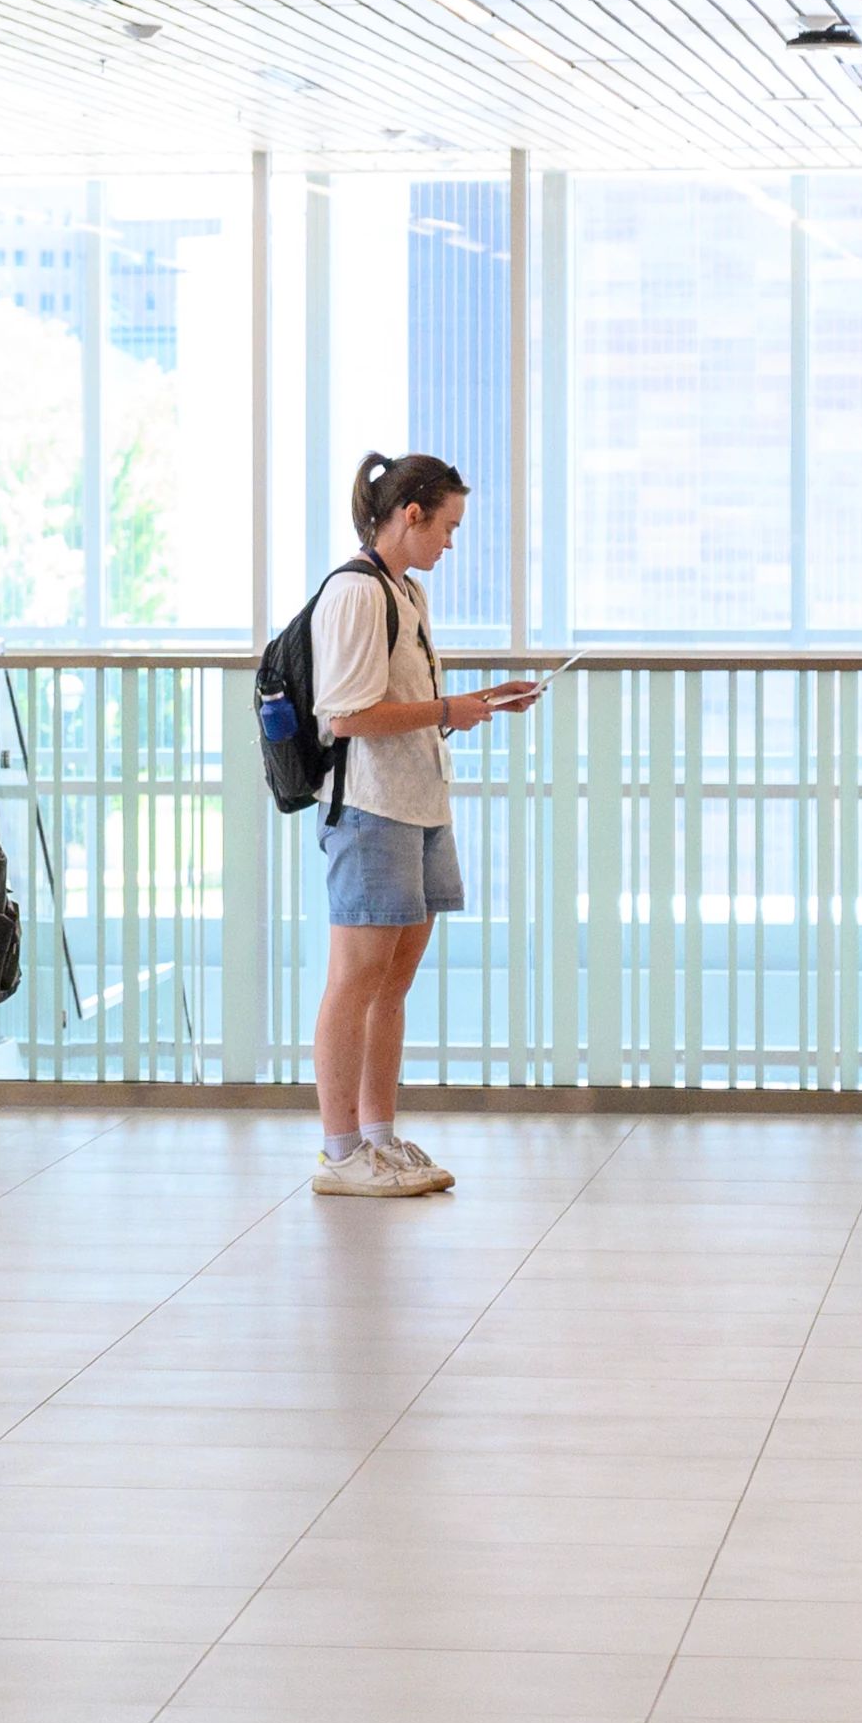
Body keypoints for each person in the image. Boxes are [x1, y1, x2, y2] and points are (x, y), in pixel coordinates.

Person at [304, 450, 539, 1200]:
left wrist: (473, 704)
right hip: (371, 806)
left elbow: (399, 700)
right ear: (411, 513)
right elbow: (344, 715)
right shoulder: (354, 592)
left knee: (394, 981)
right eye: (448, 526)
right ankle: (340, 1149)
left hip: (418, 801)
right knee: (357, 978)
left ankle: (377, 1135)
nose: (450, 542)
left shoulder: (405, 593)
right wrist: (447, 710)